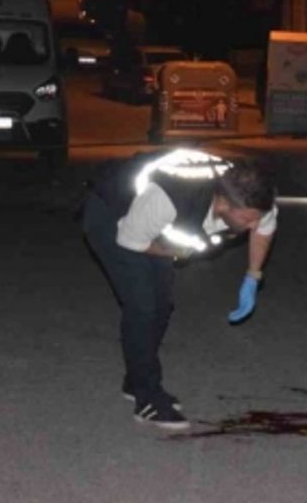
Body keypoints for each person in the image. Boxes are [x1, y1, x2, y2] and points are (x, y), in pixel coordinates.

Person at [82, 149, 278, 430]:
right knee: (143, 307)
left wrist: (253, 277)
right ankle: (147, 397)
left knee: (162, 305)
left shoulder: (253, 196)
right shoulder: (169, 199)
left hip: (151, 220)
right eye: (248, 219)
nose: (254, 224)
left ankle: (135, 379)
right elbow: (131, 242)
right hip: (111, 216)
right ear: (223, 203)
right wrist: (179, 251)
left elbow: (265, 228)